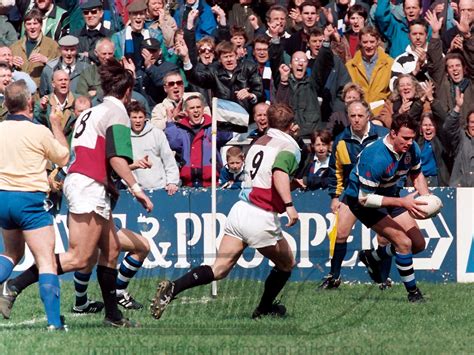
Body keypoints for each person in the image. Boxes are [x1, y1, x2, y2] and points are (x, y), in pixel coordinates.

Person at [0, 59, 154, 327]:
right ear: (128, 92)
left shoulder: (92, 111)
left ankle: (113, 316)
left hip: (85, 183)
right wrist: (137, 188)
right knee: (80, 257)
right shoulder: (117, 112)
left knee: (112, 249)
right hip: (89, 185)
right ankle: (14, 285)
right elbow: (116, 159)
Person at [150, 103, 301, 320]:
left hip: (240, 210)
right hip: (261, 215)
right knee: (287, 263)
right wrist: (289, 205)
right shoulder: (289, 146)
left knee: (219, 268)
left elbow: (264, 176)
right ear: (292, 124)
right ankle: (264, 308)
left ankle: (173, 287)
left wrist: (289, 185)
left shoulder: (259, 141)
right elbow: (278, 173)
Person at [0, 80, 69, 330]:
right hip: (29, 199)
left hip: (3, 198)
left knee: (12, 254)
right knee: (46, 260)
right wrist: (56, 124)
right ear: (29, 102)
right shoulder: (38, 131)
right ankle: (54, 323)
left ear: (6, 104)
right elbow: (63, 156)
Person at [343, 113, 431, 302]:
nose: (409, 143)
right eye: (405, 138)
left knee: (418, 244)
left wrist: (426, 199)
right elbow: (365, 199)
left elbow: (416, 173)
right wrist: (402, 202)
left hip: (389, 194)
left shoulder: (411, 148)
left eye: (412, 138)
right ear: (393, 133)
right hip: (362, 202)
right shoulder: (375, 156)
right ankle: (413, 294)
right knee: (403, 243)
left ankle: (372, 256)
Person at [319, 100, 389, 289]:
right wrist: (335, 196)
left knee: (384, 238)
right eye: (352, 116)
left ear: (368, 116)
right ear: (348, 117)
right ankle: (334, 277)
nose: (356, 120)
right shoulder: (341, 140)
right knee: (340, 234)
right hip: (352, 194)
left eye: (360, 116)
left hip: (379, 193)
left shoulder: (383, 136)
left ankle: (384, 279)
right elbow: (336, 170)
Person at [165, 94, 232, 188]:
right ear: (186, 111)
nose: (196, 110)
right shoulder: (181, 129)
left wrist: (222, 119)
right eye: (192, 108)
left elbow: (226, 136)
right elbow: (174, 144)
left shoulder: (212, 126)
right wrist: (170, 120)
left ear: (203, 109)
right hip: (188, 184)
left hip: (212, 184)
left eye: (198, 107)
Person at [128, 100, 180, 192]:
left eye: (140, 117)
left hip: (160, 188)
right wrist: (130, 184)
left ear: (145, 118)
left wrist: (172, 181)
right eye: (134, 117)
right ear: (129, 118)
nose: (138, 121)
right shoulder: (125, 136)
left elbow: (168, 159)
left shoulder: (157, 133)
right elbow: (123, 166)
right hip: (136, 189)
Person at [345, 26, 394, 116]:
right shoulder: (350, 66)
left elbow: (392, 92)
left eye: (372, 42)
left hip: (382, 112)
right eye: (365, 42)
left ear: (378, 42)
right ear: (360, 42)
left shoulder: (389, 63)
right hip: (358, 113)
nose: (368, 46)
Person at [10, 8, 60, 86]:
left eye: (35, 23)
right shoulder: (15, 47)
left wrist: (47, 61)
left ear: (41, 25)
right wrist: (10, 63)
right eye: (29, 24)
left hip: (41, 93)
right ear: (25, 26)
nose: (32, 27)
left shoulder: (52, 45)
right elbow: (5, 71)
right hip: (19, 93)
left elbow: (61, 69)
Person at [444, 89, 474, 187]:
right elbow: (448, 128)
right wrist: (457, 107)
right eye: (472, 122)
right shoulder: (461, 138)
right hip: (460, 190)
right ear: (468, 124)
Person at [74, 0, 113, 65]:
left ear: (101, 13)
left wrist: (89, 54)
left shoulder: (110, 35)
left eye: (93, 12)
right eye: (86, 13)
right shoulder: (75, 36)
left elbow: (111, 57)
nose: (89, 15)